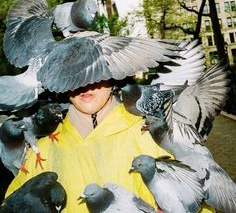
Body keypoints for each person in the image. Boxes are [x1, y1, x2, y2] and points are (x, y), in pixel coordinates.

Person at [5, 79, 214, 212]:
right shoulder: (43, 148)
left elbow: (198, 199)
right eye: (71, 75)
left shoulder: (154, 133)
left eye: (94, 74)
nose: (84, 85)